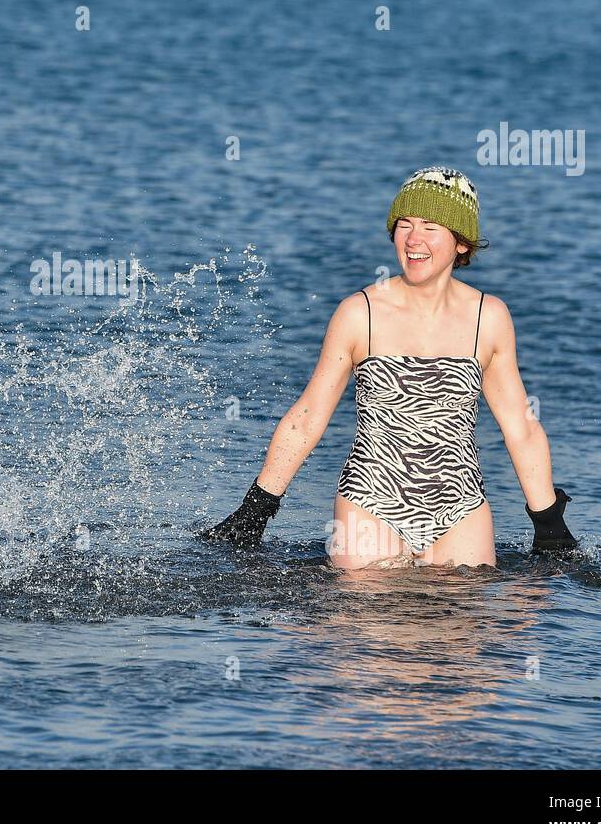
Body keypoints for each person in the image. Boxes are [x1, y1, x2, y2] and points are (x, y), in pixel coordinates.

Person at [202, 165, 578, 567]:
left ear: (462, 243)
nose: (414, 239)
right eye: (404, 224)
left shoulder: (489, 317)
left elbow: (520, 427)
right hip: (370, 500)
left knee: (473, 622)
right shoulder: (359, 313)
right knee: (372, 620)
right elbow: (308, 417)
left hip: (461, 507)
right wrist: (255, 510)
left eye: (431, 226)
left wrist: (548, 523)